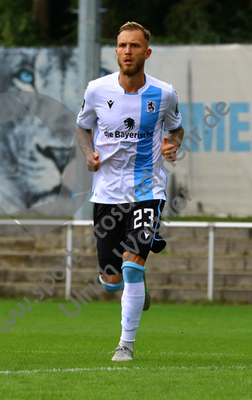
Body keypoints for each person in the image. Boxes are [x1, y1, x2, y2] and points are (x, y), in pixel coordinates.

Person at [76, 21, 184, 361]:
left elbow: (177, 129)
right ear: (116, 50)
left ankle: (125, 346)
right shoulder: (96, 90)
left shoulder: (164, 93)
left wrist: (172, 146)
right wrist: (87, 154)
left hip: (146, 188)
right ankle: (140, 258)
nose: (127, 51)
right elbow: (82, 128)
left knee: (132, 267)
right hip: (107, 193)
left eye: (134, 46)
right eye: (122, 45)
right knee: (111, 279)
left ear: (146, 53)